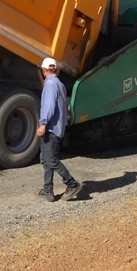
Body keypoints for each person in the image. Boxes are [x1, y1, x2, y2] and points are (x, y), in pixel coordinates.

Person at [35, 57, 83, 202]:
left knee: (51, 160)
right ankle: (48, 190)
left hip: (51, 128)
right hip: (57, 128)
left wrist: (43, 124)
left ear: (43, 71)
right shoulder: (59, 84)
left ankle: (72, 184)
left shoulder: (49, 84)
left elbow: (49, 107)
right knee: (46, 159)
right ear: (54, 69)